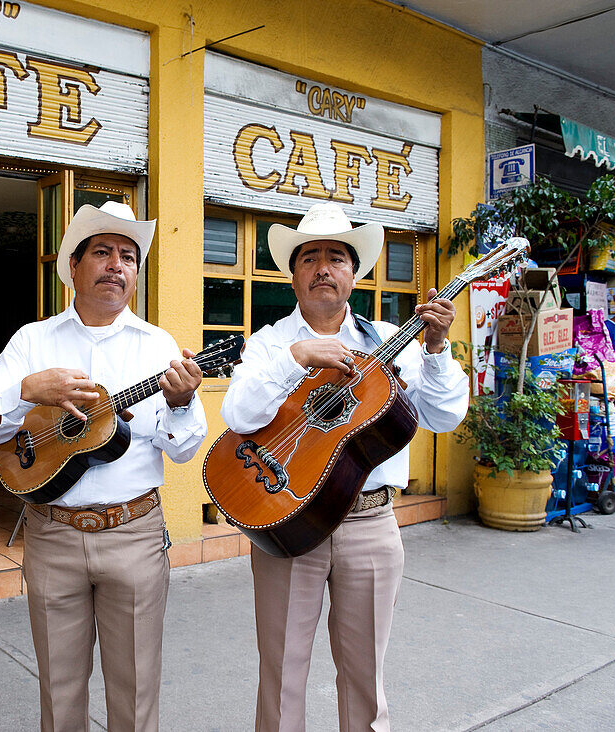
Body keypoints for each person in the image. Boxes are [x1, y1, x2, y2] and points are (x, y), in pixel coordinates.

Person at [220, 202, 469, 731]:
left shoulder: (387, 342)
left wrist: (437, 347)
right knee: (282, 674)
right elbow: (238, 414)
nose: (323, 268)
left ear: (355, 274)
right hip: (289, 518)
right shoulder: (269, 343)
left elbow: (445, 415)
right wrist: (298, 358)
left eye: (336, 257)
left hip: (371, 524)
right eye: (309, 258)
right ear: (293, 275)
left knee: (364, 677)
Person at [0, 201, 208, 732]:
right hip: (53, 534)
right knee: (59, 689)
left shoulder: (160, 347)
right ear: (73, 267)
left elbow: (187, 449)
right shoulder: (33, 341)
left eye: (128, 256)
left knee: (137, 687)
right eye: (102, 252)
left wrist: (181, 402)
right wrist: (27, 389)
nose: (116, 265)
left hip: (134, 533)